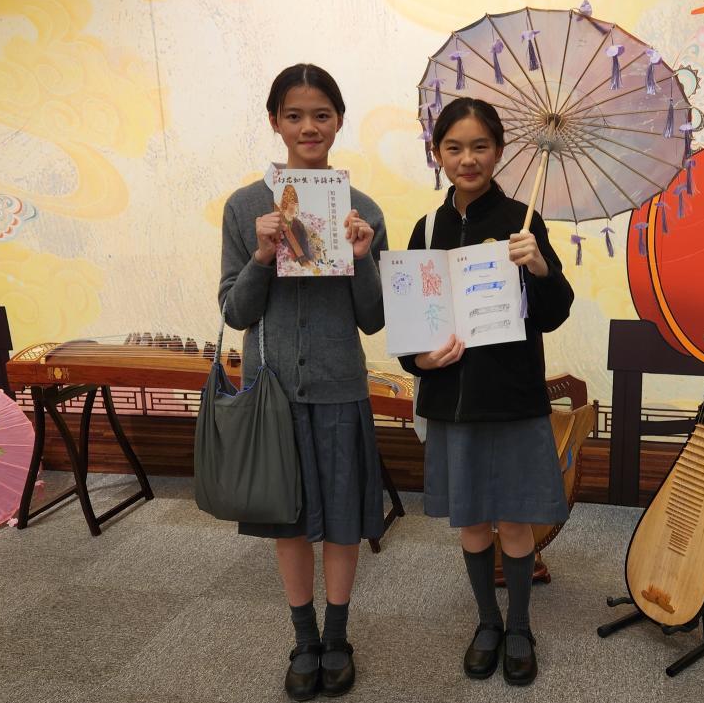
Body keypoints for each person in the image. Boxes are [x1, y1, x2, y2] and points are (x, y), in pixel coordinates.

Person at [218, 63, 386, 701]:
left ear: (338, 121)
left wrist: (363, 259)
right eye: (294, 115)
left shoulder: (362, 209)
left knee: (342, 517)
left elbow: (373, 319)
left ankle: (338, 636)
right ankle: (304, 638)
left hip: (341, 382)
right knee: (286, 520)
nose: (308, 127)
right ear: (275, 122)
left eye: (321, 114)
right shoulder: (245, 207)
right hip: (275, 391)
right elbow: (235, 312)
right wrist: (263, 254)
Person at [398, 97, 574, 687]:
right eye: (454, 148)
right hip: (453, 402)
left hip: (513, 398)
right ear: (437, 154)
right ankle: (487, 623)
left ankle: (519, 626)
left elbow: (553, 314)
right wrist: (420, 361)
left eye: (479, 146)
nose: (467, 159)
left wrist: (541, 267)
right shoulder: (428, 229)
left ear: (498, 151)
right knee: (472, 523)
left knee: (516, 523)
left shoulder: (524, 221)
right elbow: (410, 322)